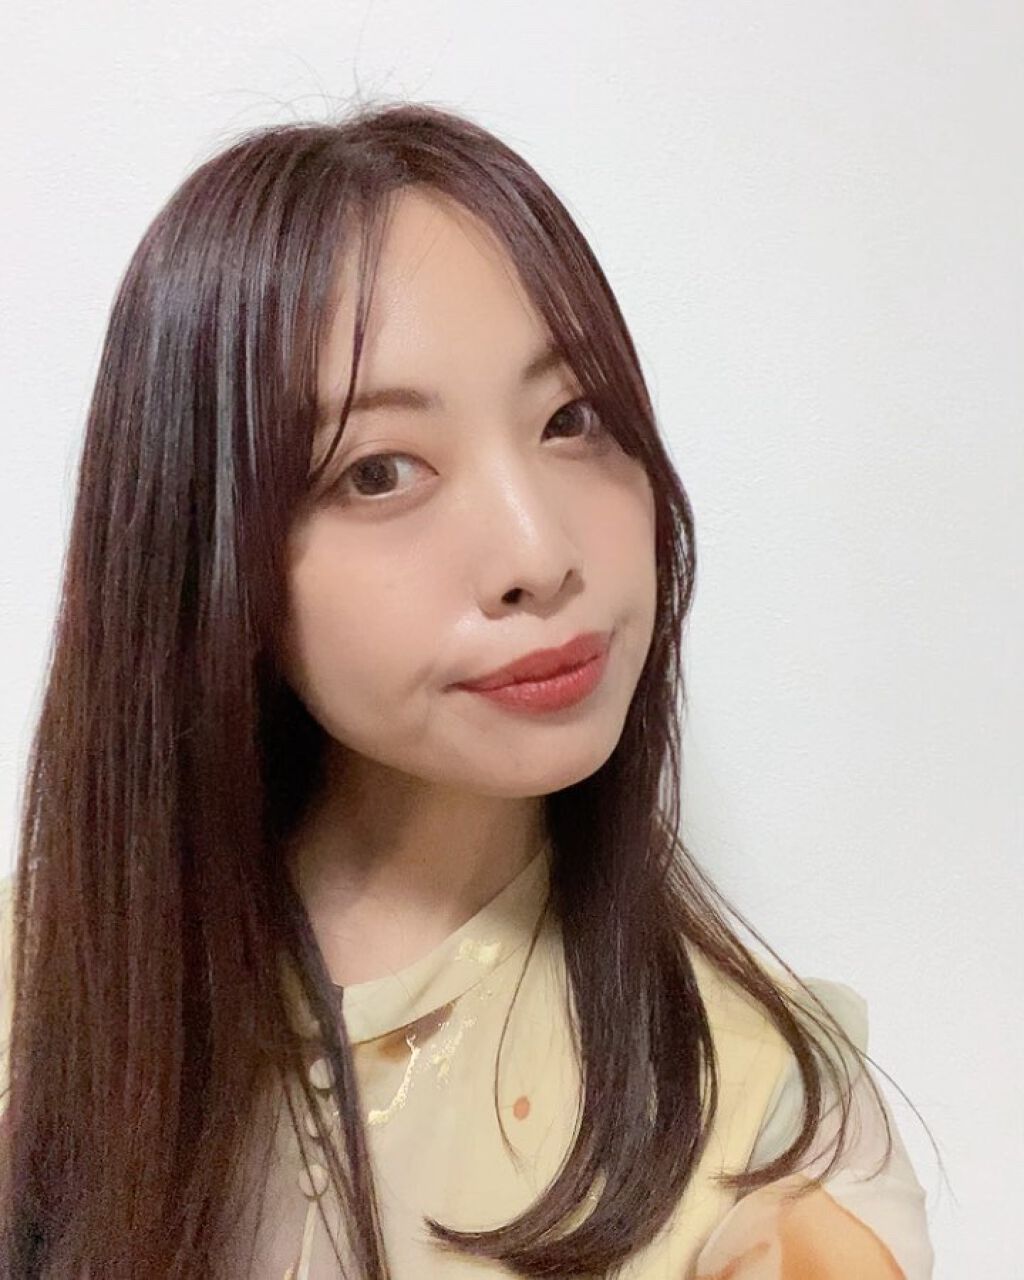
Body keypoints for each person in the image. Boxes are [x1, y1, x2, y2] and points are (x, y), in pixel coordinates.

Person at [0, 100, 936, 1278]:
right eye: (378, 470)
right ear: (205, 551)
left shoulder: (762, 1127)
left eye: (572, 418)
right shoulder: (42, 998)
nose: (538, 552)